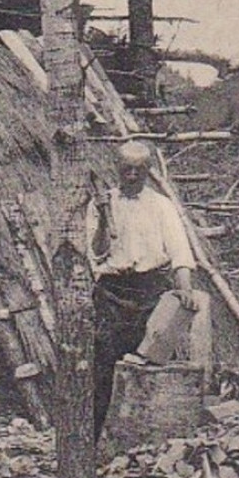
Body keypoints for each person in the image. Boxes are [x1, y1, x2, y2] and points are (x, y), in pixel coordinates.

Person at [87, 140, 202, 438]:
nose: (132, 176)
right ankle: (98, 440)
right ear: (117, 169)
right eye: (127, 169)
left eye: (139, 170)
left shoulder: (161, 206)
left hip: (150, 290)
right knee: (103, 371)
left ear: (149, 171)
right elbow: (96, 253)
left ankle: (144, 440)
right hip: (111, 291)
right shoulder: (101, 204)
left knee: (151, 364)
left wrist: (185, 287)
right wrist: (102, 218)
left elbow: (179, 250)